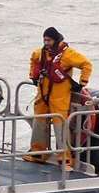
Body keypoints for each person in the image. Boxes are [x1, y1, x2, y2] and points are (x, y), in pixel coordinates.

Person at [26, 27, 92, 165]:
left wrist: (81, 83)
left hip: (60, 96)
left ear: (55, 40)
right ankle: (38, 152)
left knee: (59, 124)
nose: (46, 42)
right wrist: (33, 76)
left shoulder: (68, 54)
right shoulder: (41, 53)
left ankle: (65, 156)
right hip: (42, 96)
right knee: (39, 122)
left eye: (48, 40)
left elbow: (86, 64)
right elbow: (33, 59)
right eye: (44, 40)